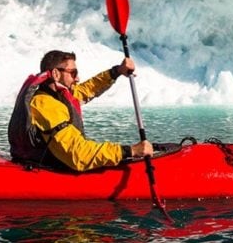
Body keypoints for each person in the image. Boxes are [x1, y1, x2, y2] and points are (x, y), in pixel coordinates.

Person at [8, 50, 153, 171]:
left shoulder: (59, 94)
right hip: (50, 170)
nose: (77, 78)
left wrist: (117, 71)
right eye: (73, 72)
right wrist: (130, 151)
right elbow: (77, 154)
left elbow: (87, 89)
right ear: (56, 74)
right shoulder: (46, 105)